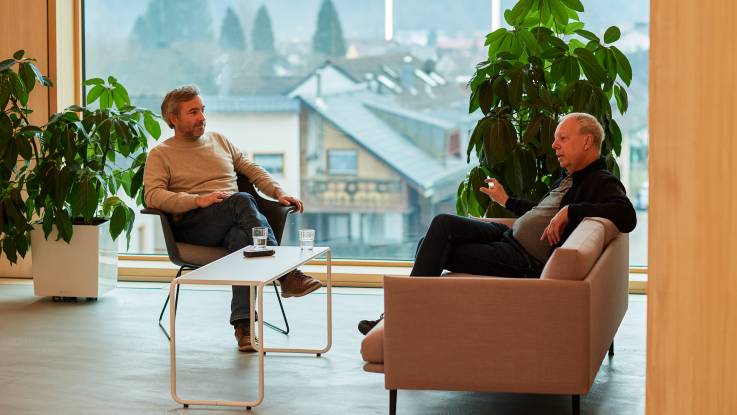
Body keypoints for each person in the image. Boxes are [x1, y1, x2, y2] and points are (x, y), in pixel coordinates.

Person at [358, 112, 637, 335]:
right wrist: (507, 201)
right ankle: (401, 316)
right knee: (440, 226)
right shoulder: (569, 177)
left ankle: (397, 320)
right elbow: (541, 212)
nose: (554, 145)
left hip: (522, 259)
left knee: (432, 249)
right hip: (507, 235)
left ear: (587, 142)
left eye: (562, 138)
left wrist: (571, 211)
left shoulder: (601, 181)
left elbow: (627, 215)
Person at [144, 85, 322, 352]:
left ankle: (244, 327)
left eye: (202, 110)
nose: (202, 117)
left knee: (243, 240)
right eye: (193, 112)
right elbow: (153, 196)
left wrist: (278, 192)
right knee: (240, 199)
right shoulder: (161, 154)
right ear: (173, 118)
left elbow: (251, 169)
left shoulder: (219, 140)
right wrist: (197, 200)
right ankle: (285, 274)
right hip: (194, 225)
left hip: (233, 220)